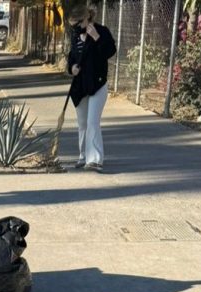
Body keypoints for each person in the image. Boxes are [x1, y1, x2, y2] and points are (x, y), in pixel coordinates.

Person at [67, 5, 116, 172]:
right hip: (80, 86)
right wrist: (71, 68)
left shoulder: (101, 31)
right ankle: (83, 156)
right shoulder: (75, 35)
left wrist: (97, 38)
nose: (74, 27)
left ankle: (95, 159)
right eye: (72, 24)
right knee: (82, 124)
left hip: (97, 84)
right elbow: (72, 56)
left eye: (77, 23)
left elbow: (110, 51)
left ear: (86, 19)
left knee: (92, 121)